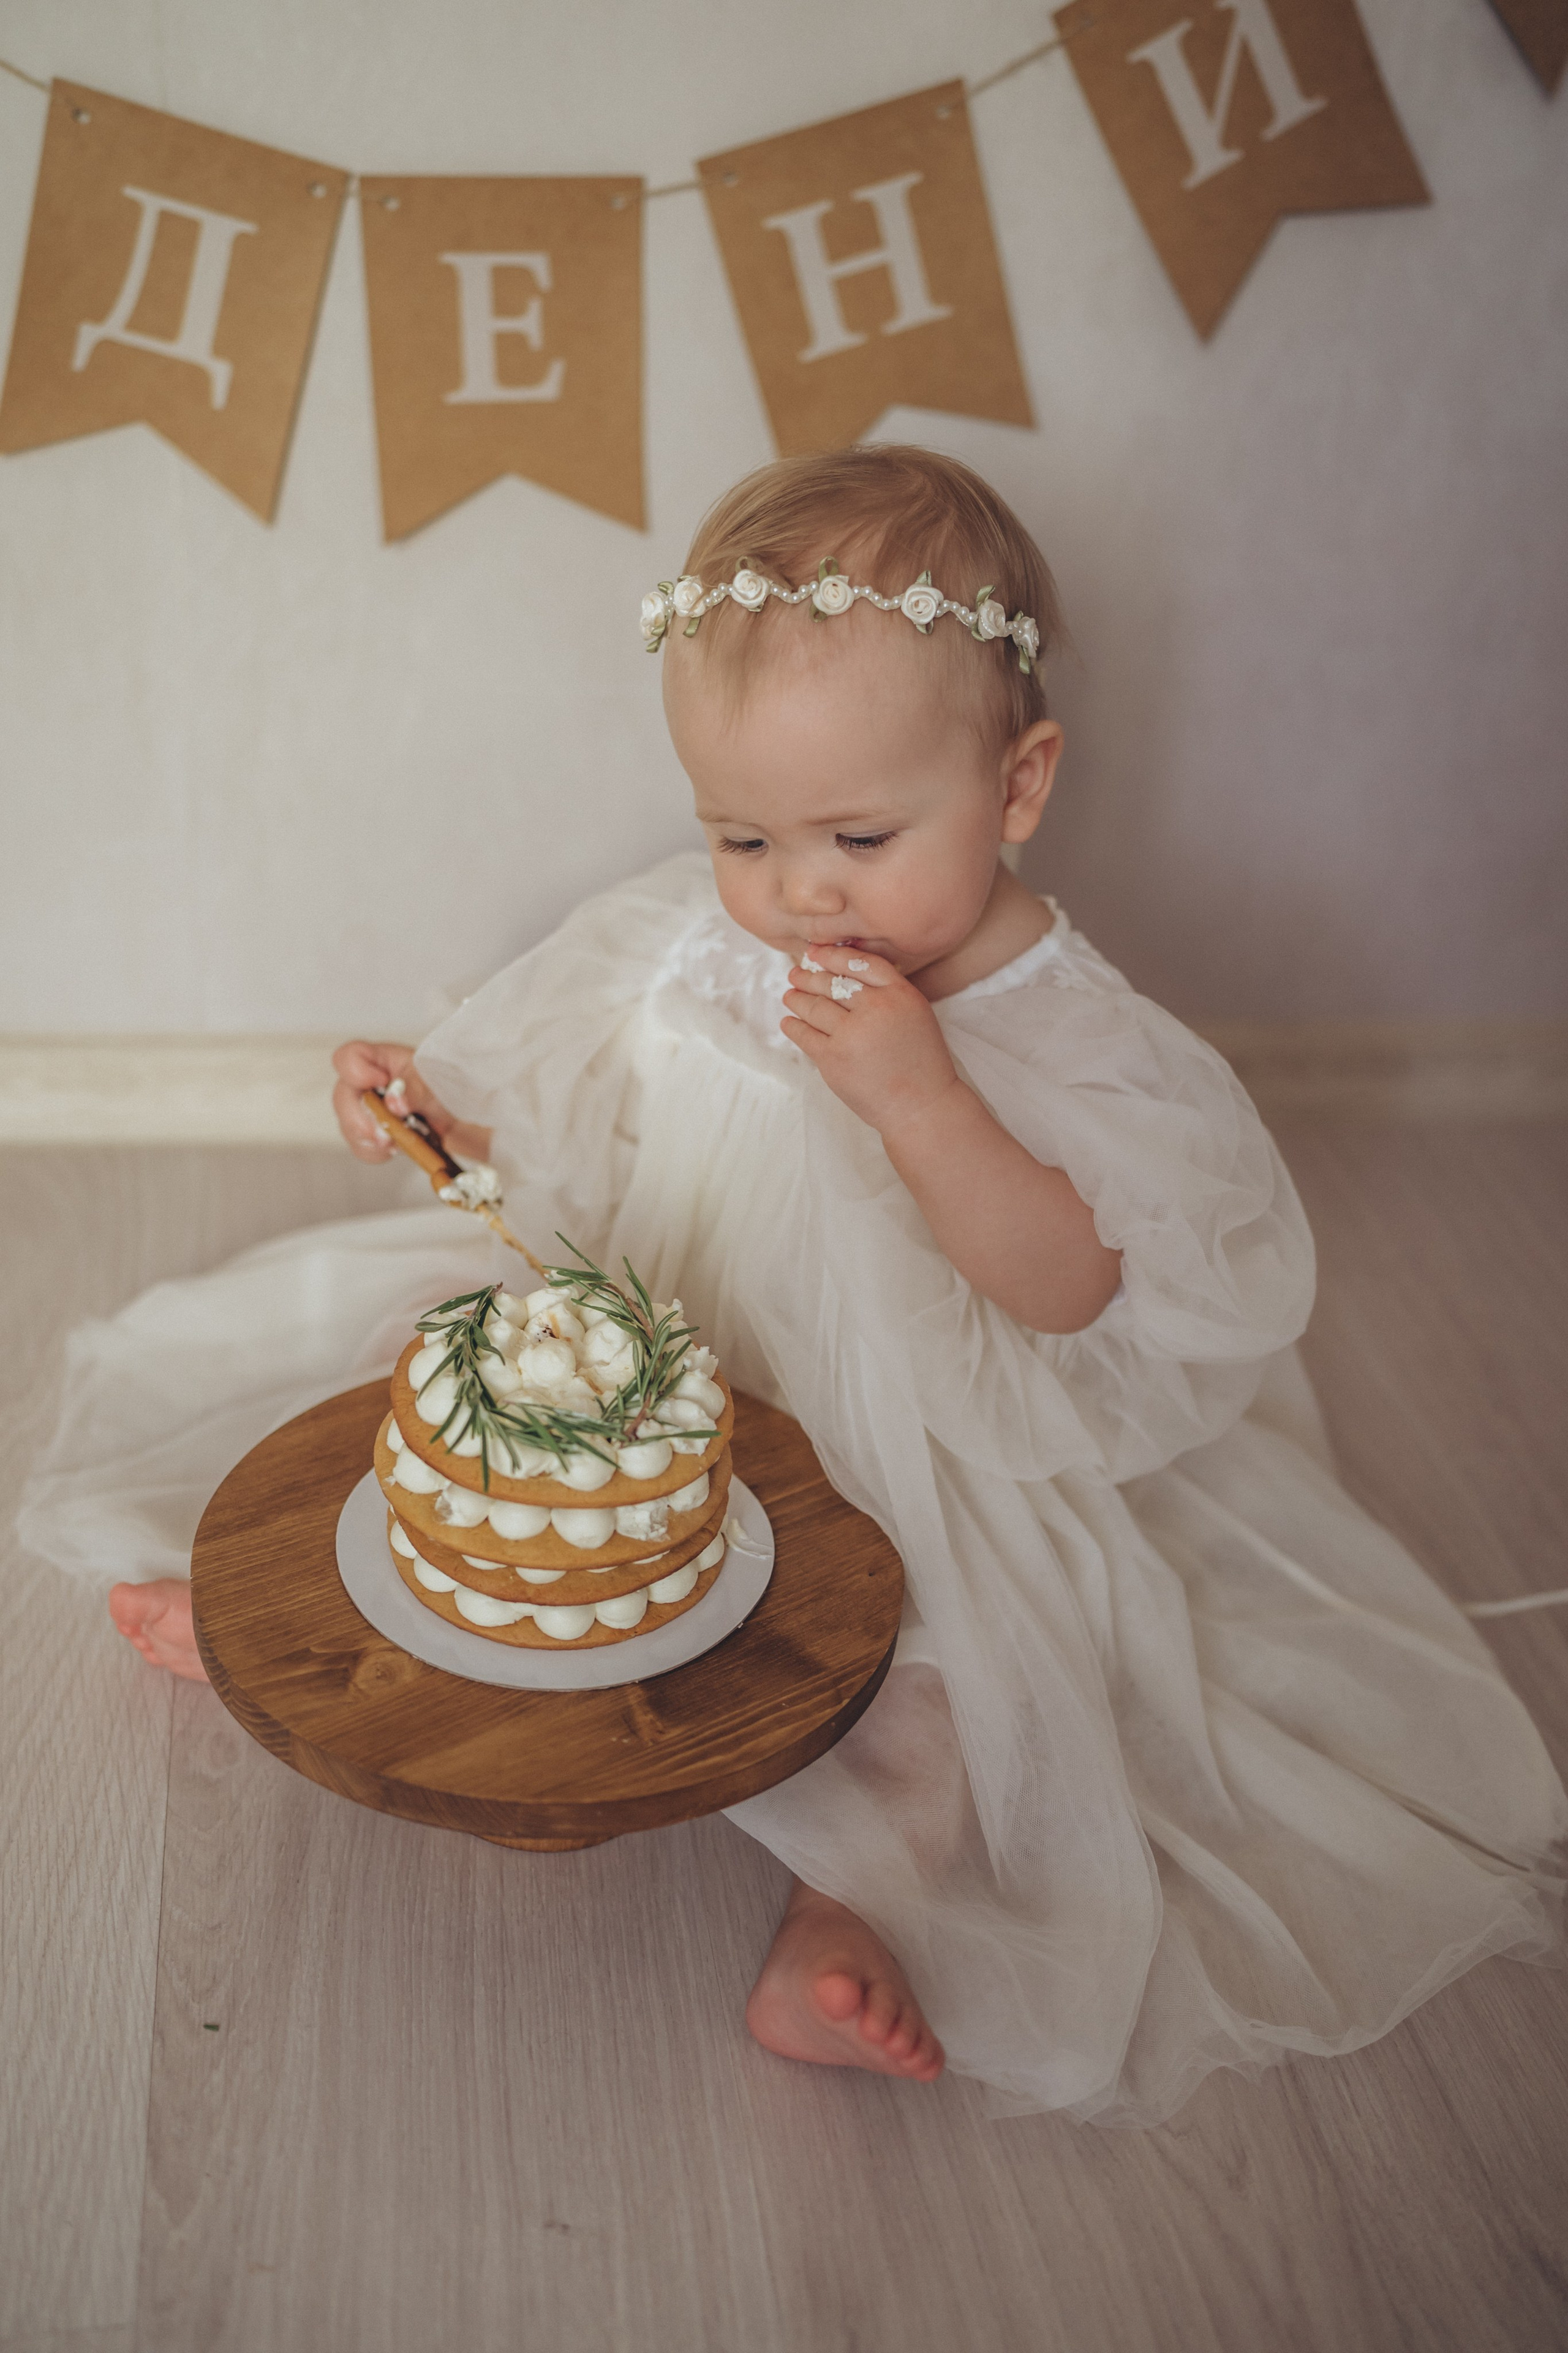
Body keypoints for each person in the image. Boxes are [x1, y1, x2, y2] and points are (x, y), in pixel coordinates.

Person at [28, 447, 1564, 2122]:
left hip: (897, 1423)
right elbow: (579, 1096)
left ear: (1020, 782)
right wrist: (438, 1107)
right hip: (679, 1327)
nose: (797, 890)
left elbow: (1063, 1289)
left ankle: (852, 1920)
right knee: (467, 1425)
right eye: (743, 831)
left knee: (943, 1665)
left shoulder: (1064, 1029)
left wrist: (922, 1097)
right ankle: (315, 1652)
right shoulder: (709, 930)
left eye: (860, 832)